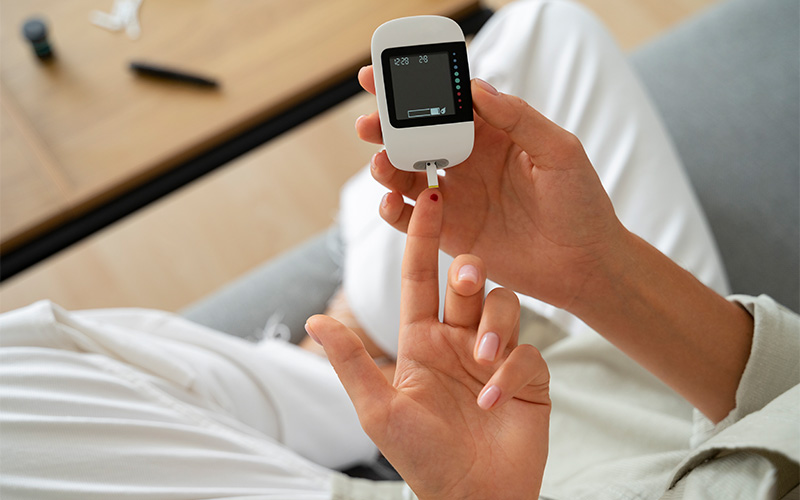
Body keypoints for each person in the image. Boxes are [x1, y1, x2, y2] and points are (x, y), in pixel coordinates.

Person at [1, 1, 797, 499]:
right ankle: (365, 330)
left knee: (16, 374)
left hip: (482, 483)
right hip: (659, 382)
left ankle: (340, 387)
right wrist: (599, 271)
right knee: (551, 25)